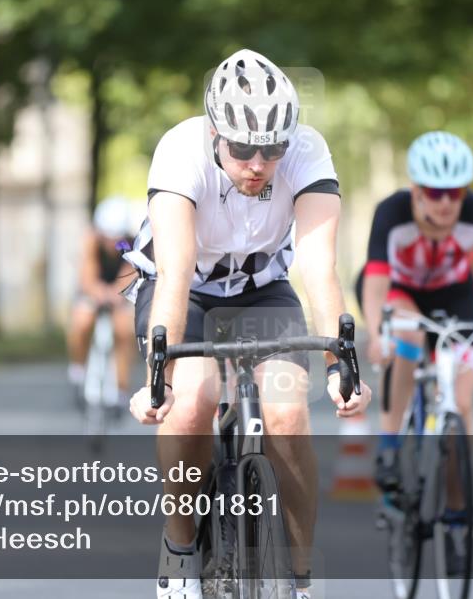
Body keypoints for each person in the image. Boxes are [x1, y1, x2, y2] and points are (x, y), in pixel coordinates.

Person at [123, 49, 371, 599]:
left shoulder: (308, 153)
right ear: (215, 133)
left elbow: (316, 267)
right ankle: (181, 548)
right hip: (184, 291)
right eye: (241, 149)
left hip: (262, 291)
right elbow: (174, 272)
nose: (258, 163)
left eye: (272, 148)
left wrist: (339, 365)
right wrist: (156, 381)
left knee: (286, 412)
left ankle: (301, 580)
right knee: (193, 400)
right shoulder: (179, 152)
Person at [356, 131, 473, 486]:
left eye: (454, 193)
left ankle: (457, 515)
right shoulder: (392, 212)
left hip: (455, 295)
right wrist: (378, 333)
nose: (445, 203)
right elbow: (376, 280)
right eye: (436, 193)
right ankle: (390, 446)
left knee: (462, 404)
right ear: (417, 190)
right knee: (407, 335)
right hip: (398, 290)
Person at [66, 195, 137, 404]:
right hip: (93, 288)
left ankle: (121, 387)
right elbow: (87, 274)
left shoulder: (127, 243)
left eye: (116, 237)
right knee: (82, 321)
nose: (112, 242)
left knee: (124, 330)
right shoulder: (91, 240)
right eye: (108, 237)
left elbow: (130, 270)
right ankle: (78, 369)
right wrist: (97, 292)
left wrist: (116, 293)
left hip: (118, 290)